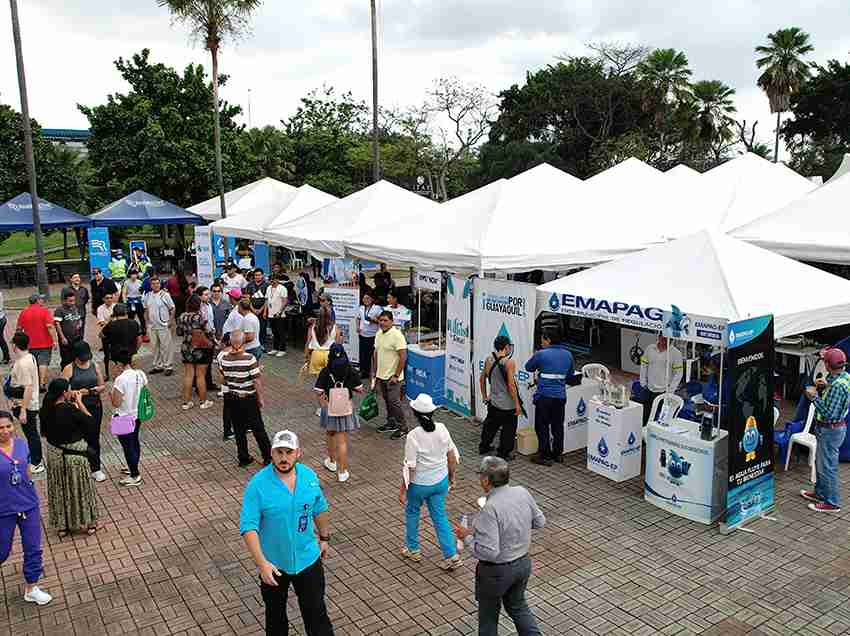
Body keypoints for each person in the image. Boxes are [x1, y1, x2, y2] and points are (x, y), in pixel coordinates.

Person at [240, 429, 334, 636]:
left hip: (308, 558)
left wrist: (325, 537)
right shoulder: (258, 485)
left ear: (298, 453)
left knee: (316, 614)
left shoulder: (309, 476)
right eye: (279, 452)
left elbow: (319, 507)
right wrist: (262, 563)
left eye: (288, 452)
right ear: (271, 453)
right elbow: (248, 526)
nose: (283, 458)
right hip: (274, 564)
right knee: (275, 617)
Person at [452, 456, 545, 636]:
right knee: (518, 607)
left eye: (480, 476)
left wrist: (468, 537)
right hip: (523, 565)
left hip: (496, 573)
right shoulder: (522, 492)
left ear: (486, 480)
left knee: (488, 618)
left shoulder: (490, 507)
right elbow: (540, 522)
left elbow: (490, 552)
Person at [400, 393, 461, 570]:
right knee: (440, 517)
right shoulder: (442, 428)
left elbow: (410, 467)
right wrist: (451, 477)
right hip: (440, 481)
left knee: (412, 512)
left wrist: (403, 490)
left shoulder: (413, 435)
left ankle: (413, 549)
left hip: (419, 484)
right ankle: (451, 554)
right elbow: (451, 457)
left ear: (414, 413)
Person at [0, 411, 52, 605]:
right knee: (2, 550)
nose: (5, 431)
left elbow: (27, 469)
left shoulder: (21, 444)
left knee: (33, 547)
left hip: (28, 505)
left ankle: (32, 587)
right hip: (3, 509)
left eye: (8, 426)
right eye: (0, 428)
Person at [39, 378, 98, 536]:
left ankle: (63, 526)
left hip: (55, 456)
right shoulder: (71, 410)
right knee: (80, 489)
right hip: (75, 458)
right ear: (64, 393)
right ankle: (88, 522)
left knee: (60, 489)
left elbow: (44, 433)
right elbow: (91, 424)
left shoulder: (44, 410)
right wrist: (79, 403)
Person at [800, 348, 850, 513]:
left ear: (828, 365)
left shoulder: (837, 387)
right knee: (820, 463)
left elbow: (829, 413)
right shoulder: (845, 377)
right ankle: (820, 493)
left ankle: (831, 502)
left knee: (827, 467)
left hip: (830, 429)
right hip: (832, 429)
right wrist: (825, 384)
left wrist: (813, 397)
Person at [218, 330, 272, 467]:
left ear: (230, 342)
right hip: (248, 397)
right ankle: (268, 457)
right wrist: (261, 398)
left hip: (232, 397)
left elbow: (223, 378)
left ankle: (243, 457)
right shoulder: (250, 358)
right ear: (243, 342)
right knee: (258, 428)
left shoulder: (224, 359)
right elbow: (256, 381)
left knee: (238, 429)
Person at [314, 344, 364, 483]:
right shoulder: (350, 370)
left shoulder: (326, 371)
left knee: (330, 434)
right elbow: (359, 388)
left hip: (329, 407)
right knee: (342, 441)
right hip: (345, 408)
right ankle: (342, 472)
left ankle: (331, 461)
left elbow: (318, 390)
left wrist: (324, 398)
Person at [524, 329, 574, 466]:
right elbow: (570, 376)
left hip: (544, 397)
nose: (541, 342)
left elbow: (528, 367)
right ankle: (558, 454)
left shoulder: (541, 354)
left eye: (542, 340)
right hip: (560, 397)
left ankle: (544, 455)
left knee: (542, 426)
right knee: (558, 426)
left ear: (548, 340)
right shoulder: (568, 355)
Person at [62, 342, 107, 482]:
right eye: (82, 358)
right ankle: (79, 467)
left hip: (94, 406)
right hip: (76, 409)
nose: (85, 360)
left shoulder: (94, 365)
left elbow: (102, 386)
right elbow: (63, 391)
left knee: (93, 437)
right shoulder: (69, 369)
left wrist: (91, 391)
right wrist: (74, 393)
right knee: (78, 438)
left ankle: (95, 468)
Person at [479, 335, 521, 460]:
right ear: (507, 347)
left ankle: (484, 446)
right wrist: (517, 404)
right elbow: (511, 386)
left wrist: (485, 396)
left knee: (490, 425)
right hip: (507, 405)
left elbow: (482, 379)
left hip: (493, 401)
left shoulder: (488, 359)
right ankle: (503, 453)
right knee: (508, 429)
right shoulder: (509, 362)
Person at [110, 351, 147, 486]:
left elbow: (116, 403)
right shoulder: (140, 374)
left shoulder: (121, 380)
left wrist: (111, 393)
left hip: (123, 416)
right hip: (137, 414)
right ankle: (133, 467)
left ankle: (134, 474)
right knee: (134, 441)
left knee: (127, 446)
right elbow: (145, 391)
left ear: (119, 363)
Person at [9, 332, 44, 474]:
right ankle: (35, 458)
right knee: (31, 433)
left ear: (15, 345)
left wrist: (23, 409)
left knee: (31, 434)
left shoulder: (23, 364)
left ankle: (36, 462)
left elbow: (28, 387)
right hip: (29, 403)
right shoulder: (29, 357)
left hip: (26, 405)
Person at [373, 311, 408, 440]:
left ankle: (403, 427)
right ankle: (391, 422)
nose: (382, 323)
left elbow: (403, 356)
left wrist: (396, 375)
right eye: (381, 320)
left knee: (394, 402)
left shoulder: (397, 335)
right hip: (381, 375)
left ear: (392, 321)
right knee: (387, 401)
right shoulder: (378, 334)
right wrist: (375, 373)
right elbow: (376, 354)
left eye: (385, 320)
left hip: (393, 377)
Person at [178, 295, 215, 411]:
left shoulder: (182, 316)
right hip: (200, 348)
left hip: (186, 347)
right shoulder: (200, 317)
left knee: (188, 375)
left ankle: (186, 402)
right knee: (200, 375)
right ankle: (203, 401)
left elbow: (179, 332)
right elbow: (208, 332)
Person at [639, 335, 684, 424]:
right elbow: (644, 365)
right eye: (662, 337)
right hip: (648, 389)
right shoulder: (649, 348)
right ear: (658, 337)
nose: (664, 339)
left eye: (667, 337)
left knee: (660, 418)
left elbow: (679, 373)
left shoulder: (676, 353)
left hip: (664, 392)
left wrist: (670, 391)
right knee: (645, 415)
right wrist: (643, 382)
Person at [16, 293, 57, 390]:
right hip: (45, 342)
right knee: (43, 362)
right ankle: (42, 383)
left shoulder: (24, 312)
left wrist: (18, 342)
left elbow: (19, 328)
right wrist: (55, 340)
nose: (42, 301)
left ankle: (32, 382)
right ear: (37, 301)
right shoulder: (45, 311)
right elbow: (50, 326)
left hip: (29, 344)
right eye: (41, 299)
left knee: (32, 363)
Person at [143, 276, 175, 376]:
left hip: (163, 325)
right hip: (152, 326)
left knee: (166, 346)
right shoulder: (148, 295)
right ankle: (158, 365)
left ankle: (168, 366)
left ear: (160, 284)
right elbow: (146, 310)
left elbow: (172, 308)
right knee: (155, 347)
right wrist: (146, 323)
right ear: (150, 285)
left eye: (157, 283)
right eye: (153, 284)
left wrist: (170, 321)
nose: (156, 285)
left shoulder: (165, 295)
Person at [54, 289, 84, 369]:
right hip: (66, 338)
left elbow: (79, 318)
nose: (73, 303)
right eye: (70, 301)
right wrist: (62, 337)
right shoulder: (59, 310)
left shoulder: (75, 308)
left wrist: (80, 322)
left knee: (75, 356)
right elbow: (57, 324)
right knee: (66, 358)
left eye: (74, 300)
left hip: (76, 337)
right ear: (64, 301)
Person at [305, 306, 338, 376]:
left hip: (316, 355)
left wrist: (307, 358)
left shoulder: (312, 327)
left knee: (318, 380)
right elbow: (338, 345)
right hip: (329, 355)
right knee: (330, 379)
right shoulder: (335, 327)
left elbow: (308, 343)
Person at [357, 291, 382, 380]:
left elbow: (381, 321)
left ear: (372, 299)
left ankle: (377, 373)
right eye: (364, 298)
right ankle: (364, 372)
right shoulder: (361, 308)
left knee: (374, 355)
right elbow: (358, 318)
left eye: (367, 298)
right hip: (363, 335)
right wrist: (357, 327)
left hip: (373, 336)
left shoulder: (377, 308)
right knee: (363, 355)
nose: (365, 300)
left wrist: (374, 320)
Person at [266, 276, 289, 357]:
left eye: (273, 280)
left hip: (280, 315)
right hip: (271, 313)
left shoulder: (282, 288)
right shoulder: (268, 288)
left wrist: (280, 312)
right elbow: (267, 300)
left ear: (277, 280)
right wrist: (266, 312)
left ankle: (282, 349)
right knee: (274, 332)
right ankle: (275, 348)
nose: (272, 282)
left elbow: (285, 301)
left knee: (281, 332)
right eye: (270, 280)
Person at [246, 268, 269, 347]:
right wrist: (253, 309)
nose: (257, 277)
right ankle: (254, 345)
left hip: (263, 310)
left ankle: (262, 345)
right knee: (252, 328)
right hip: (252, 310)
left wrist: (261, 310)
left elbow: (267, 299)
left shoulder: (266, 285)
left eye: (259, 275)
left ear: (262, 275)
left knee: (262, 328)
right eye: (256, 275)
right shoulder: (249, 285)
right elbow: (247, 299)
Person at [96, 291, 117, 380]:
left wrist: (107, 322)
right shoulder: (100, 308)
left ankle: (117, 372)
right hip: (106, 334)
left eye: (110, 298)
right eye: (107, 298)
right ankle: (107, 374)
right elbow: (101, 323)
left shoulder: (116, 306)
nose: (109, 300)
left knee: (116, 353)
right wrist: (111, 320)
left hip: (116, 333)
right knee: (107, 355)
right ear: (103, 299)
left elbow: (118, 321)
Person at [62, 273, 90, 337]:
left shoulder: (84, 289)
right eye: (75, 277)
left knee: (81, 331)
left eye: (78, 277)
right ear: (71, 280)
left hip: (81, 313)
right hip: (70, 315)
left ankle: (80, 344)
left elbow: (86, 299)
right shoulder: (66, 289)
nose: (77, 279)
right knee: (72, 331)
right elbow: (63, 301)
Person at [121, 268, 147, 338]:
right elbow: (124, 293)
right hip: (130, 302)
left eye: (135, 274)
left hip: (139, 302)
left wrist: (143, 300)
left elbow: (143, 293)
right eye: (132, 274)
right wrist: (125, 302)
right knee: (130, 319)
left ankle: (144, 333)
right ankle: (130, 333)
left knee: (142, 318)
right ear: (129, 275)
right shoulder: (126, 282)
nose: (134, 276)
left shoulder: (140, 282)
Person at [239, 298, 263, 362]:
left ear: (241, 307)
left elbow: (250, 337)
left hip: (251, 349)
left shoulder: (247, 319)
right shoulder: (252, 316)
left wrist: (237, 341)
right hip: (255, 347)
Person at [0, 290, 9, 364]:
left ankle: (6, 357)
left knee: (0, 339)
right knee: (1, 338)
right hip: (2, 318)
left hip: (0, 319)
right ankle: (6, 357)